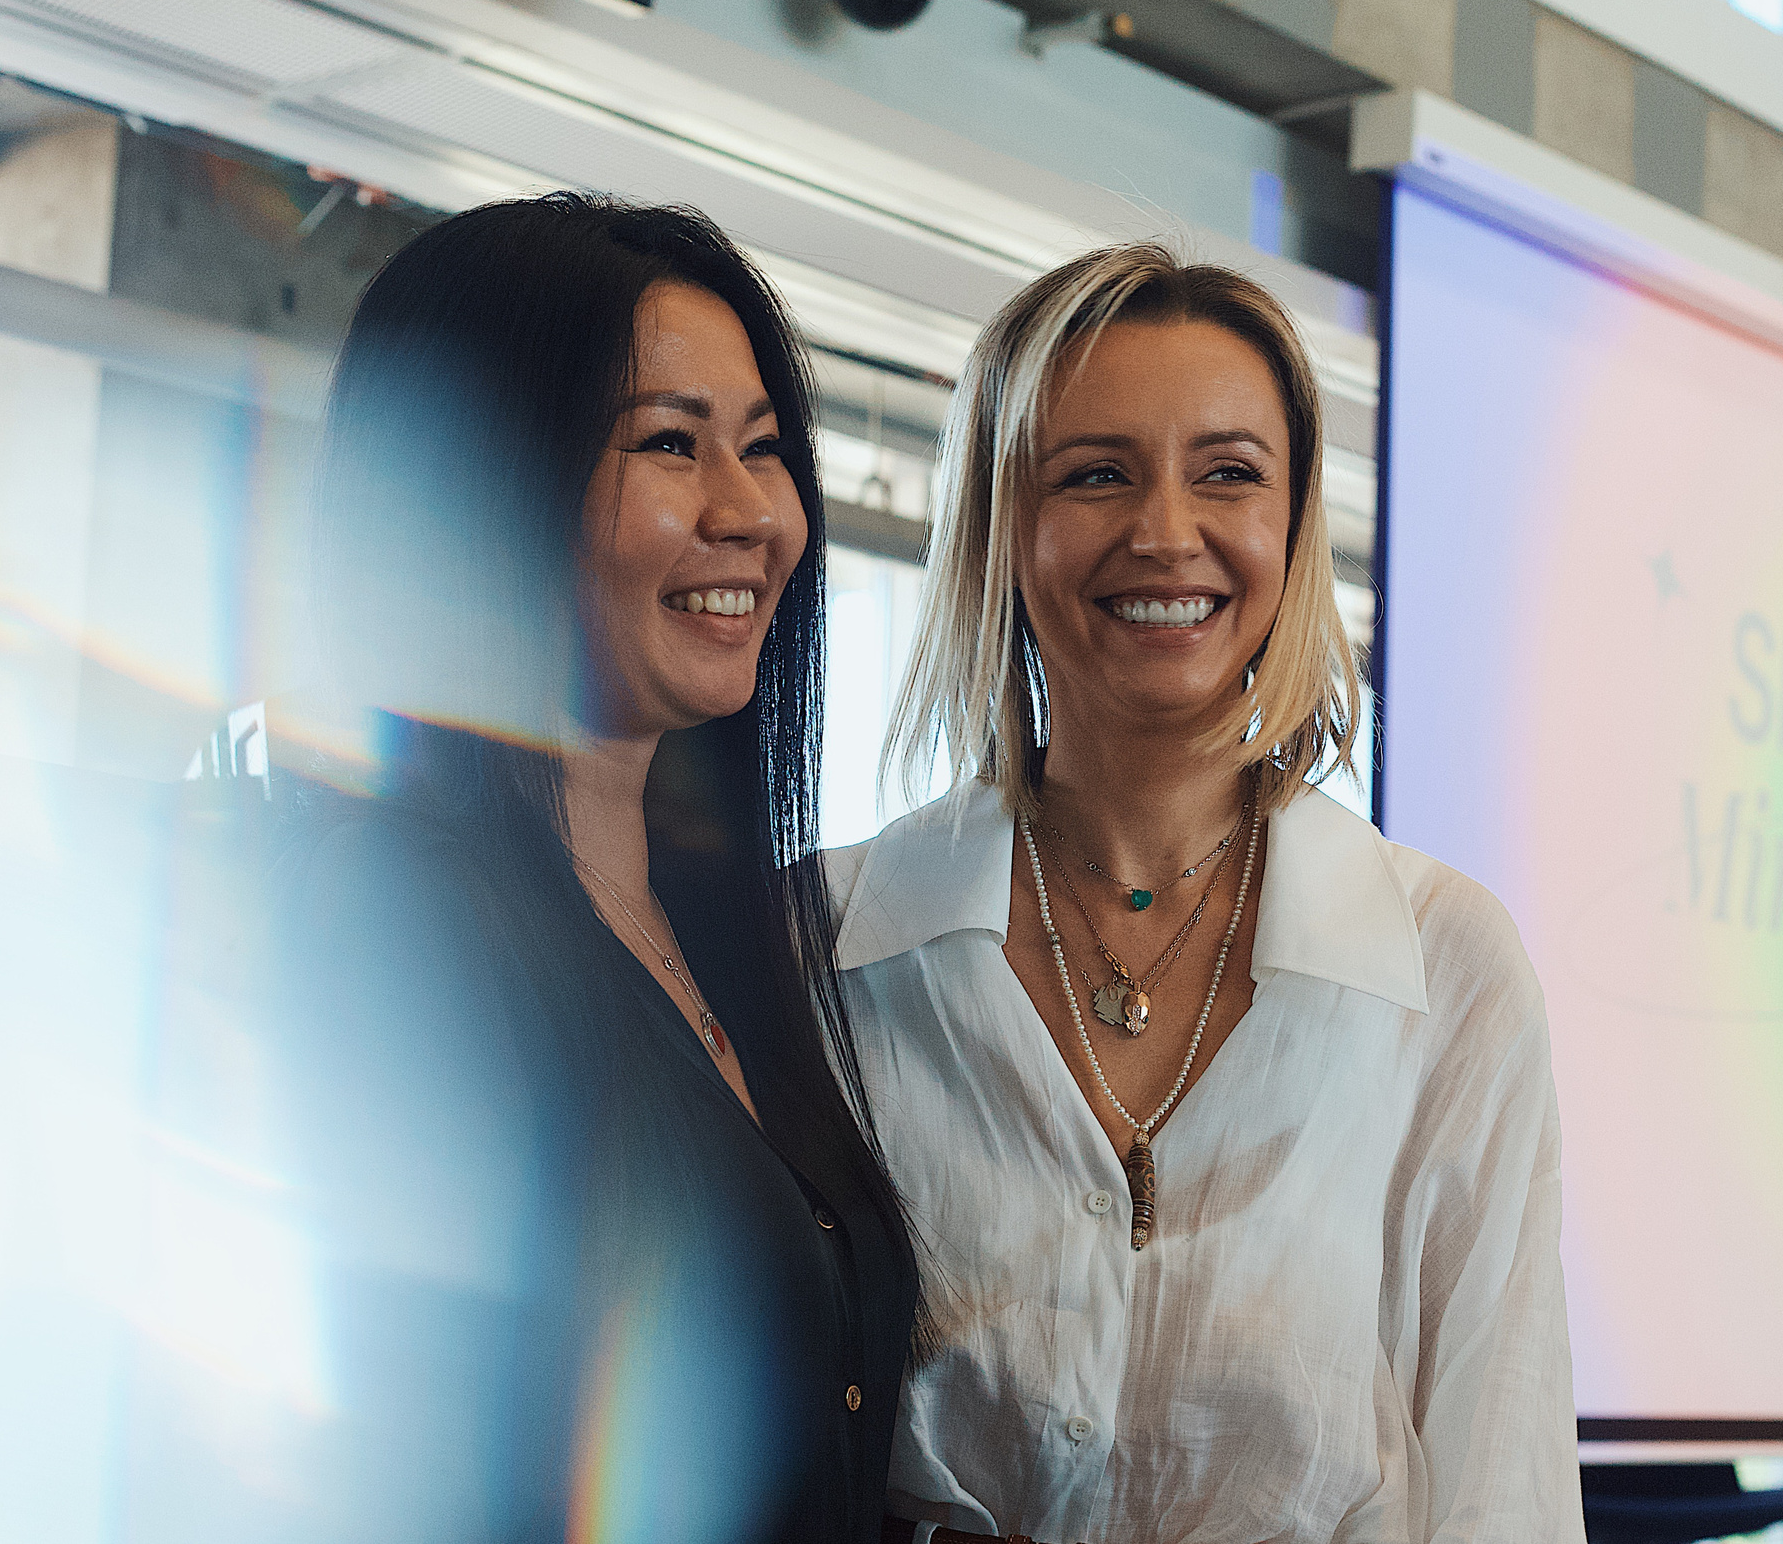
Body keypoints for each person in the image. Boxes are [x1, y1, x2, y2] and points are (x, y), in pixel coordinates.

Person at [829, 243, 1580, 1544]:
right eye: (1096, 473)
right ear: (1003, 524)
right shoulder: (826, 945)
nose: (1165, 530)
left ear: (1290, 527)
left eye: (1228, 472)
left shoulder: (1444, 967)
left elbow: (1500, 1489)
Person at [200, 194, 918, 1542]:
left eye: (766, 450)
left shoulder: (725, 924)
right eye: (671, 444)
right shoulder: (390, 915)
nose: (756, 511)